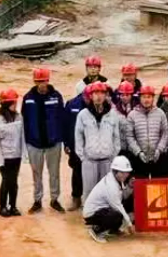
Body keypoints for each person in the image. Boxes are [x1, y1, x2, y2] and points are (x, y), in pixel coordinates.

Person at [21, 67, 66, 214]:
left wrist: (60, 138)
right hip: (35, 143)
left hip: (53, 143)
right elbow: (24, 120)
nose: (41, 84)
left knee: (54, 173)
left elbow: (61, 118)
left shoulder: (56, 97)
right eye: (39, 81)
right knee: (36, 174)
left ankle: (54, 200)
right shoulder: (28, 98)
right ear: (35, 81)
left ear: (48, 81)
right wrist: (27, 141)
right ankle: (37, 200)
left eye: (44, 81)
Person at [75, 82, 122, 199]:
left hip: (107, 161)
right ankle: (88, 210)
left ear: (106, 95)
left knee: (107, 192)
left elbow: (116, 137)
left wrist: (113, 157)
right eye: (96, 93)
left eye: (102, 93)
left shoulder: (112, 115)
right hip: (89, 161)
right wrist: (83, 157)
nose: (99, 96)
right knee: (89, 193)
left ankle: (106, 210)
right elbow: (78, 137)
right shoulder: (83, 115)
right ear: (91, 96)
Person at [83, 155, 135, 244]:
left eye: (127, 172)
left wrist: (130, 187)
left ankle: (112, 230)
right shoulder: (111, 185)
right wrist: (129, 225)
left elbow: (122, 197)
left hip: (103, 209)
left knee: (120, 212)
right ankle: (97, 231)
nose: (125, 175)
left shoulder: (117, 179)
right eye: (122, 172)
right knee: (116, 215)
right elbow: (118, 206)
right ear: (115, 171)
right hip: (92, 214)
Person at [0, 89, 26, 218]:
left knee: (14, 181)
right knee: (6, 181)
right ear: (6, 103)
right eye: (13, 102)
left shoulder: (19, 117)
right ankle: (2, 206)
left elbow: (22, 137)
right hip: (4, 157)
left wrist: (24, 154)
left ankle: (13, 206)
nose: (15, 104)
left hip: (16, 156)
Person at [125, 85, 168, 179]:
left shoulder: (160, 113)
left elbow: (165, 133)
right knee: (140, 183)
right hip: (139, 158)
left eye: (149, 97)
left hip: (157, 157)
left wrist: (159, 149)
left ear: (153, 98)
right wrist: (138, 152)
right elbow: (129, 136)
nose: (146, 100)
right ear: (139, 98)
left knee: (158, 184)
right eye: (144, 97)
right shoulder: (132, 115)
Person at [63, 81, 89, 209]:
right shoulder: (71, 104)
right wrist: (66, 144)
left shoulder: (97, 104)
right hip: (75, 144)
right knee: (77, 172)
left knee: (92, 174)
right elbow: (66, 125)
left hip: (91, 145)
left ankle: (90, 200)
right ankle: (76, 198)